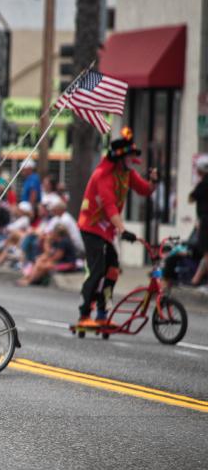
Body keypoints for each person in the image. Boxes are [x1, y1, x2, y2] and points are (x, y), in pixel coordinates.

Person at [76, 127, 157, 327]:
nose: (132, 161)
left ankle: (102, 312)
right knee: (97, 269)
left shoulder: (126, 173)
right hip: (91, 227)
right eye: (129, 157)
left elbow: (145, 190)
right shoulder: (103, 175)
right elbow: (110, 205)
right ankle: (84, 314)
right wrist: (123, 229)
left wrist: (154, 180)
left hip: (107, 230)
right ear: (119, 158)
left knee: (112, 269)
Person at [187, 154, 208, 286]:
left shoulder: (204, 183)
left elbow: (191, 198)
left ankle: (196, 279)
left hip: (206, 221)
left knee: (206, 253)